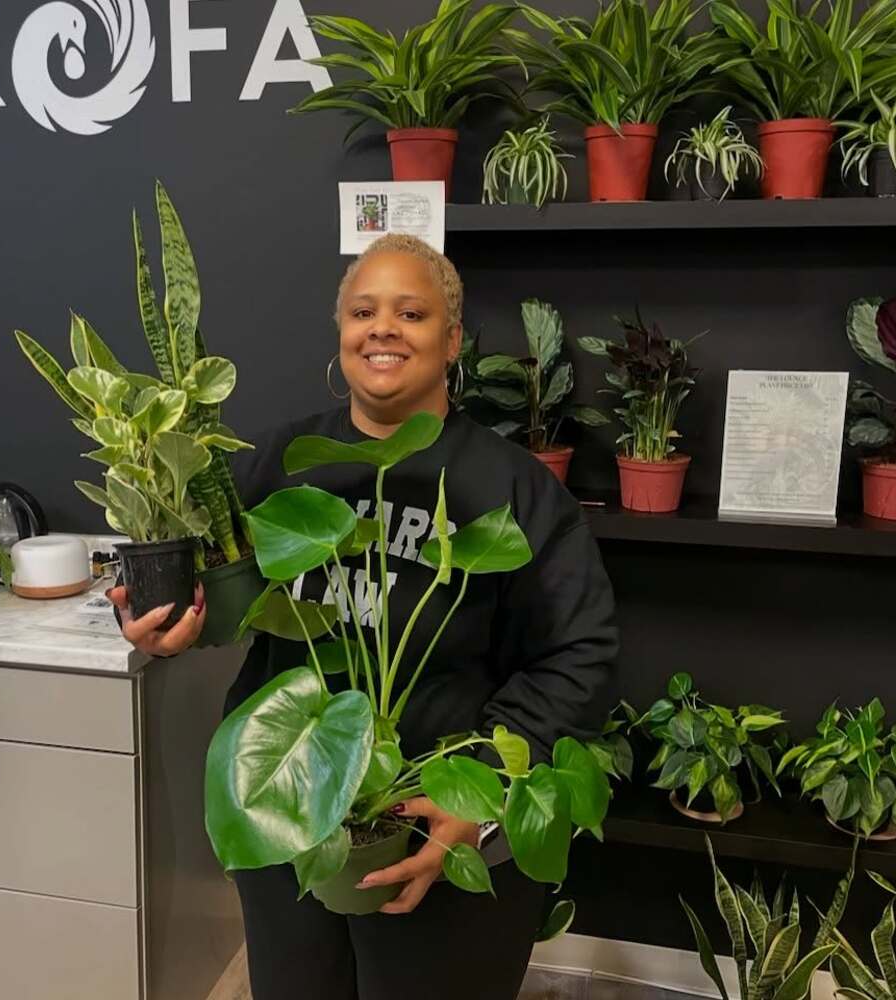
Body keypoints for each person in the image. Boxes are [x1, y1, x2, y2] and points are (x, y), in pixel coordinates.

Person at [108, 233, 619, 1000]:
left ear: (452, 342)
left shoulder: (514, 487)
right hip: (292, 807)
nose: (382, 327)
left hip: (434, 817)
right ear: (340, 331)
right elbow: (214, 596)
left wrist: (472, 798)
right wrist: (165, 624)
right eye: (362, 310)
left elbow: (581, 653)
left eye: (411, 312)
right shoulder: (277, 462)